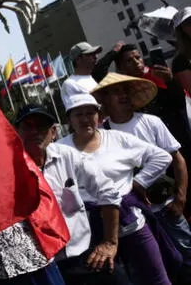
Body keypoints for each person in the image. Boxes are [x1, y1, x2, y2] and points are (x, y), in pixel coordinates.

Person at [57, 93, 173, 285]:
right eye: (78, 114)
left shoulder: (118, 139)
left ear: (99, 115)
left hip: (130, 223)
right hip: (91, 233)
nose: (85, 119)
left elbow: (161, 157)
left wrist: (139, 182)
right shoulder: (59, 149)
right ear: (69, 118)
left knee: (156, 279)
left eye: (90, 113)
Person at [13, 103, 129, 285]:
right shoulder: (10, 169)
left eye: (41, 126)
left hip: (83, 256)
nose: (35, 132)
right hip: (42, 268)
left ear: (53, 132)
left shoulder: (67, 155)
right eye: (28, 126)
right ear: (16, 132)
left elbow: (108, 191)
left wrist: (110, 243)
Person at [92, 72, 191, 279]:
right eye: (116, 92)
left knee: (188, 255)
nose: (123, 96)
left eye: (125, 91)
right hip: (135, 218)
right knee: (159, 268)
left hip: (166, 206)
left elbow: (177, 159)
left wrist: (181, 198)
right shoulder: (102, 135)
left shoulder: (151, 122)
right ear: (105, 100)